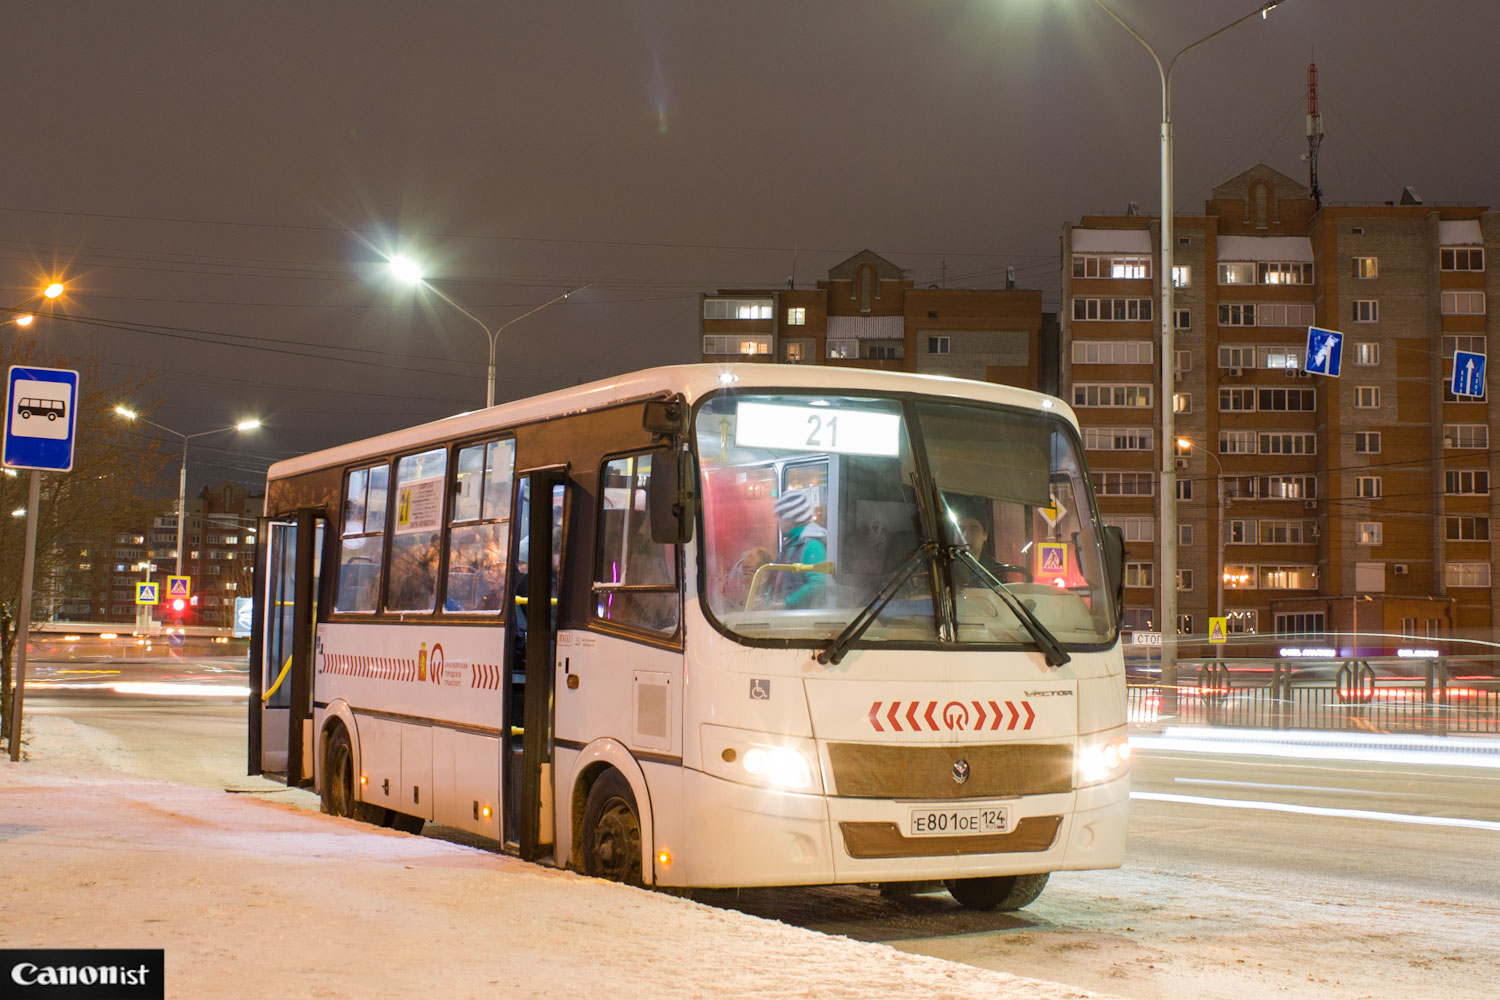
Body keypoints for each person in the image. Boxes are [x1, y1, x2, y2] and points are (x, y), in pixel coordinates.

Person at [769, 489, 828, 609]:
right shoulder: (791, 544)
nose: (778, 521)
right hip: (787, 617)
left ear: (791, 519)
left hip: (802, 619)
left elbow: (818, 584)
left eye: (781, 516)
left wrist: (787, 603)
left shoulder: (811, 545)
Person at [719, 545, 774, 610]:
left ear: (765, 574)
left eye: (750, 570)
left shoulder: (770, 593)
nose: (744, 574)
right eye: (744, 569)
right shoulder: (730, 586)